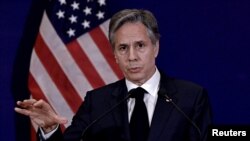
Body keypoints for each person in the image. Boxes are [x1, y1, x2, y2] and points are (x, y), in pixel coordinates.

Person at [15, 9, 212, 141]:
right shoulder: (97, 102)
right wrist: (50, 128)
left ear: (156, 48)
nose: (132, 57)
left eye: (140, 46)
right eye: (123, 48)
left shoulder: (190, 98)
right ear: (115, 56)